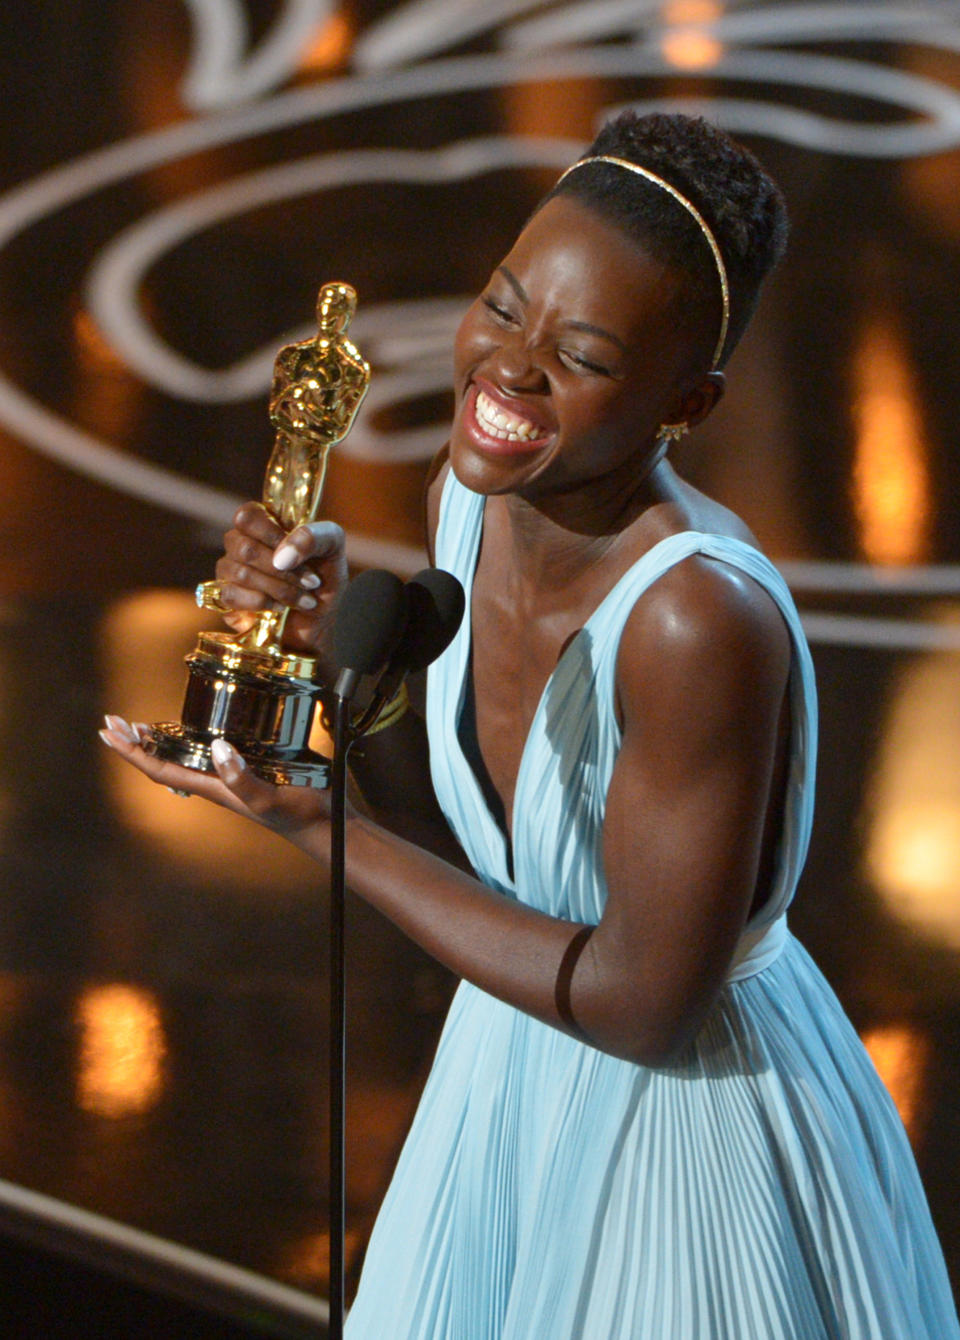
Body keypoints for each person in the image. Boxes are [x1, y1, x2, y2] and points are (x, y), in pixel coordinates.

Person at [100, 112, 960, 1338]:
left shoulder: (693, 621)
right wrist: (343, 631)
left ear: (687, 399)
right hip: (508, 1079)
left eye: (585, 353)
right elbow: (477, 817)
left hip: (686, 1133)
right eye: (503, 308)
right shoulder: (471, 496)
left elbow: (641, 1002)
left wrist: (309, 819)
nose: (509, 370)